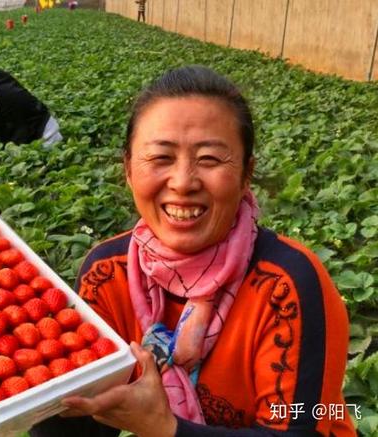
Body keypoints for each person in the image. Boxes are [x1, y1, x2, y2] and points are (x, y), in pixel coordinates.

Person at [29, 66, 355, 436]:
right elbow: (85, 423)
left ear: (247, 174)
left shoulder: (290, 284)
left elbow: (303, 429)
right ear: (129, 170)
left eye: (210, 159)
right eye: (161, 158)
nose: (183, 182)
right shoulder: (108, 273)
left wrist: (166, 429)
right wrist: (39, 387)